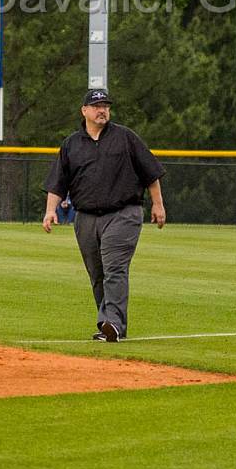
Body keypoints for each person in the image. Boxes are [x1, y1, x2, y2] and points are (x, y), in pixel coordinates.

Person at [43, 88, 166, 342]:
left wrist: (158, 204)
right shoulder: (71, 144)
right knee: (97, 273)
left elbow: (150, 172)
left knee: (114, 268)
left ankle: (113, 323)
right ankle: (110, 323)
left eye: (106, 106)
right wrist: (49, 211)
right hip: (86, 217)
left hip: (123, 214)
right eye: (97, 106)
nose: (102, 110)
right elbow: (58, 182)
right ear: (84, 111)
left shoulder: (125, 138)